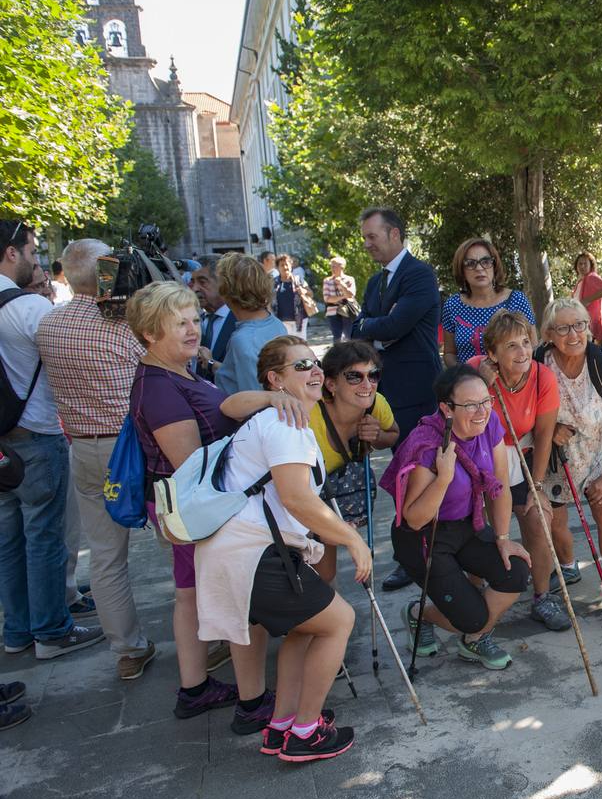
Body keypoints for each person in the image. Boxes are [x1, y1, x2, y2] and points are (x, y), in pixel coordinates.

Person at [197, 336, 372, 762]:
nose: (314, 371)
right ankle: (306, 732)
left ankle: (281, 725)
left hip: (242, 553)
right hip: (255, 554)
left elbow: (290, 502)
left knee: (303, 629)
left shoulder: (277, 419)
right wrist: (351, 539)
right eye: (301, 367)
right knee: (338, 622)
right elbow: (297, 498)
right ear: (276, 379)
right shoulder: (284, 423)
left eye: (314, 363)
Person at [125, 281, 289, 724]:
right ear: (149, 332)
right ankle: (251, 702)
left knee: (191, 595)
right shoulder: (159, 385)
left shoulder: (176, 370)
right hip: (201, 509)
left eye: (195, 319)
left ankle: (194, 688)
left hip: (190, 510)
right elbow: (190, 465)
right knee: (231, 597)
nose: (192, 329)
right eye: (178, 322)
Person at [35, 239, 156, 680]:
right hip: (136, 446)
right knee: (180, 540)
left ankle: (127, 649)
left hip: (83, 446)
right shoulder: (123, 326)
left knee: (105, 557)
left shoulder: (49, 325)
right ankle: (211, 638)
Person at [0, 219, 104, 662]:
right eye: (32, 252)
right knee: (44, 536)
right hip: (35, 435)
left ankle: (18, 631)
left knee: (8, 539)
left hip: (2, 442)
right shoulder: (25, 309)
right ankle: (51, 631)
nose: (37, 261)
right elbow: (81, 350)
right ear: (10, 253)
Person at [381, 365, 532, 669]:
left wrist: (502, 538)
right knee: (472, 616)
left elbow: (499, 485)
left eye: (486, 401)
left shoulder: (489, 425)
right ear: (446, 409)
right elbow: (413, 518)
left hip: (467, 525)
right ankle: (418, 614)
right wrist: (443, 478)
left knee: (515, 570)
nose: (482, 411)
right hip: (425, 537)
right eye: (470, 405)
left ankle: (473, 639)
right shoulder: (425, 443)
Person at [352, 207, 442, 591]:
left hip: (419, 394)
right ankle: (410, 556)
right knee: (402, 480)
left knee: (422, 477)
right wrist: (377, 326)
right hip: (386, 396)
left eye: (372, 236)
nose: (367, 244)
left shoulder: (419, 275)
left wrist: (378, 325)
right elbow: (363, 327)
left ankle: (431, 554)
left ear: (394, 234)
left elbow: (392, 325)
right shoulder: (375, 283)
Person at [468, 310, 570, 633]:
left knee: (540, 518)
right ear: (492, 354)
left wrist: (538, 485)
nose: (522, 351)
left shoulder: (542, 377)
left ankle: (541, 596)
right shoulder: (473, 374)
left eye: (526, 342)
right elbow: (460, 426)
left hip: (524, 460)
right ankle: (475, 601)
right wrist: (483, 385)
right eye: (511, 345)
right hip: (482, 462)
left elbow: (543, 435)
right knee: (479, 531)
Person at [538, 298, 602, 626]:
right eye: (563, 327)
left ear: (588, 327)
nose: (573, 334)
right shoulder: (539, 362)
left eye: (579, 324)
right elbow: (525, 412)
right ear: (550, 333)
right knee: (555, 520)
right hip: (556, 457)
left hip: (597, 452)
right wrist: (550, 429)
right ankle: (567, 566)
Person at [303, 341, 399, 583]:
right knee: (320, 574)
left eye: (373, 375)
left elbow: (393, 434)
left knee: (325, 574)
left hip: (336, 498)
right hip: (302, 498)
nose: (367, 385)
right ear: (331, 383)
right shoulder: (309, 412)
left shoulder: (376, 403)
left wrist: (377, 436)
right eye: (354, 377)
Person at [440, 237, 535, 365]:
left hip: (512, 381)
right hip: (469, 382)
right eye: (470, 263)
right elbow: (449, 353)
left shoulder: (517, 300)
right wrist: (465, 376)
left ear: (494, 266)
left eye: (485, 261)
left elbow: (533, 346)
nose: (479, 268)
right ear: (461, 269)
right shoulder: (452, 305)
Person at [213, 253, 286, 394]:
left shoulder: (243, 340)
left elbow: (255, 397)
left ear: (226, 291)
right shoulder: (275, 323)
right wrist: (211, 363)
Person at [189, 256, 235, 383]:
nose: (194, 289)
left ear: (222, 283)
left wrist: (210, 363)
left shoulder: (241, 322)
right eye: (192, 282)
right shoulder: (196, 319)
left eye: (202, 282)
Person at [571, 251, 602, 342]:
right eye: (580, 264)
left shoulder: (591, 277)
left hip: (588, 323)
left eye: (585, 264)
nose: (582, 266)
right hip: (580, 322)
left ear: (591, 265)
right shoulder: (581, 280)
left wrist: (588, 300)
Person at [322, 256, 357, 342]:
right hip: (332, 311)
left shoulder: (349, 279)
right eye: (331, 266)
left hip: (347, 311)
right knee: (337, 337)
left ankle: (352, 354)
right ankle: (338, 355)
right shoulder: (327, 280)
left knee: (350, 335)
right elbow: (327, 298)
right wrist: (343, 297)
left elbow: (351, 294)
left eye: (334, 266)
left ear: (342, 267)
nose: (332, 268)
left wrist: (341, 284)